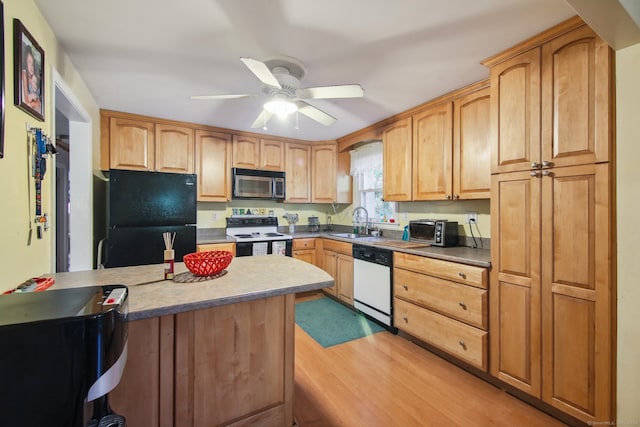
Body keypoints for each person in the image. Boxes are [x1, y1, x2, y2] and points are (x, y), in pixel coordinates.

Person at [21, 46, 41, 112]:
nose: (31, 66)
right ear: (26, 63)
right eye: (29, 62)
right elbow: (26, 101)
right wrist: (34, 103)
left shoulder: (33, 78)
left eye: (32, 64)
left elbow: (38, 102)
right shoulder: (24, 73)